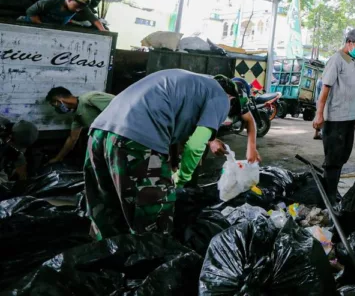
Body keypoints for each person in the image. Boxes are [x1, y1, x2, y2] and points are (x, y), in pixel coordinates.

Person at [84, 69, 261, 239]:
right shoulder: (221, 97)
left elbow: (176, 130)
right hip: (135, 139)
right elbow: (195, 146)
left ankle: (105, 257)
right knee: (154, 214)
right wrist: (181, 178)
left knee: (108, 205)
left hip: (99, 131)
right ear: (232, 100)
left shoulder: (195, 84)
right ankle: (151, 263)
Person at [312, 28, 355, 201]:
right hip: (335, 119)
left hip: (349, 118)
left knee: (343, 157)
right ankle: (328, 197)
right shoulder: (336, 60)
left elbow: (353, 93)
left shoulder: (354, 62)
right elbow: (325, 90)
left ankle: (333, 192)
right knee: (333, 160)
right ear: (349, 42)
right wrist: (319, 114)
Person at [45, 87, 115, 165]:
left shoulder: (89, 98)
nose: (56, 109)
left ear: (58, 100)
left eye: (54, 106)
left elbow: (118, 108)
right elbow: (72, 139)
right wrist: (58, 158)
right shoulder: (78, 116)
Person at [20, 0, 106, 31]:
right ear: (69, 0)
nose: (78, 10)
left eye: (81, 8)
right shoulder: (52, 1)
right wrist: (41, 27)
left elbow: (93, 18)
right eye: (77, 7)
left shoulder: (81, 6)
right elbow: (31, 12)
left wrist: (103, 30)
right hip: (30, 26)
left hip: (52, 30)